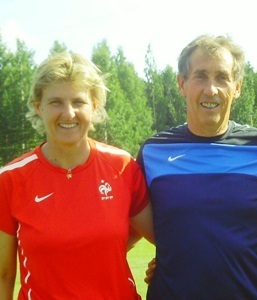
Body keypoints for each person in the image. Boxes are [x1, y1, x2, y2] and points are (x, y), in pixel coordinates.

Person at [136, 34, 257, 299]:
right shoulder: (153, 152)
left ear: (237, 87)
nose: (211, 90)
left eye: (222, 78)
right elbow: (134, 222)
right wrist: (175, 256)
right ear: (182, 84)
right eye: (201, 76)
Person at [0, 52, 154, 299]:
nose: (68, 113)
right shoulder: (10, 179)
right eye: (56, 102)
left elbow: (167, 238)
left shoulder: (123, 167)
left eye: (78, 102)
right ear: (39, 108)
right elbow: (4, 275)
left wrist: (167, 265)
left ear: (94, 107)